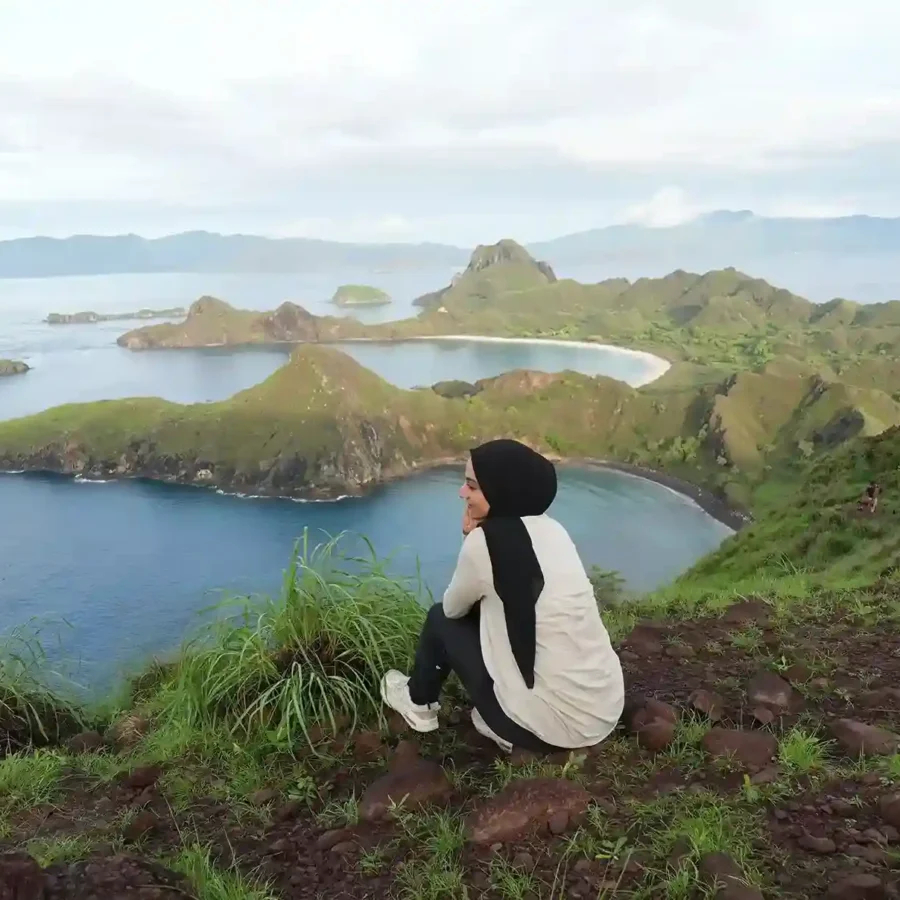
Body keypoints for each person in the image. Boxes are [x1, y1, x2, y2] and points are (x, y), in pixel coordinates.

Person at [380, 438, 625, 753]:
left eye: (472, 486)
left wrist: (470, 538)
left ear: (500, 491)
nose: (461, 493)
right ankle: (513, 718)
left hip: (553, 732)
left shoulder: (485, 543)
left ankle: (418, 705)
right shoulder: (554, 531)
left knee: (440, 619)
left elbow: (455, 611)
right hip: (602, 712)